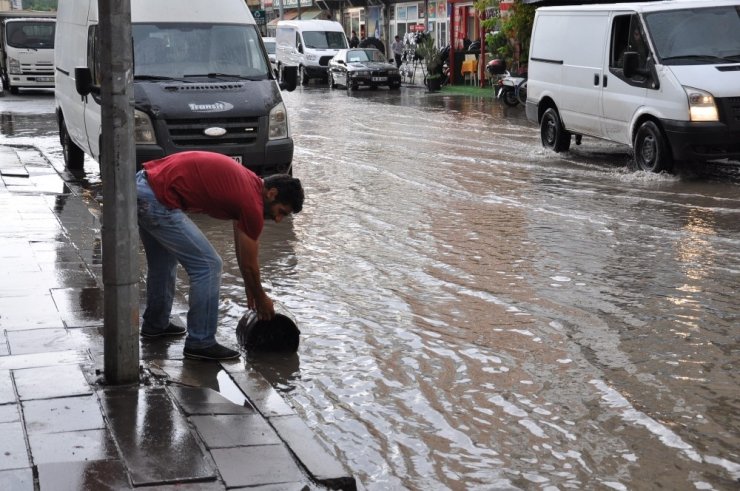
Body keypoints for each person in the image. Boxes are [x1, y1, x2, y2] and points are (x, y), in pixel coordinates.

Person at [136, 151, 304, 361]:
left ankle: (155, 325)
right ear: (272, 193)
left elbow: (244, 252)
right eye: (282, 211)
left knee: (164, 261)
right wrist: (261, 298)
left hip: (144, 185)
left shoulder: (250, 184)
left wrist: (250, 287)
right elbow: (251, 264)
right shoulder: (253, 204)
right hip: (157, 199)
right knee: (209, 265)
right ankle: (201, 342)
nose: (279, 219)